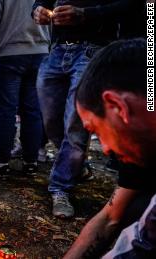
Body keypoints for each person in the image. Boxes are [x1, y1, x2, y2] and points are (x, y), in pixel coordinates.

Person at [68, 38, 156, 258]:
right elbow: (111, 217)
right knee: (135, 206)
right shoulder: (139, 143)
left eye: (96, 130)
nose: (105, 149)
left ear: (118, 106)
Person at [32, 0, 118, 218]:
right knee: (50, 120)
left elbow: (136, 7)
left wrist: (86, 13)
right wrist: (38, 11)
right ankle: (76, 165)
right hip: (58, 49)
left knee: (75, 122)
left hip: (93, 48)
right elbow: (40, 2)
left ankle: (60, 187)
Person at [0, 0, 49, 175]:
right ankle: (31, 161)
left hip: (8, 51)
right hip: (40, 51)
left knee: (6, 111)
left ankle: (2, 162)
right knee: (33, 111)